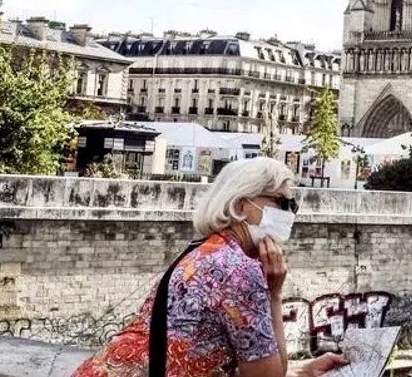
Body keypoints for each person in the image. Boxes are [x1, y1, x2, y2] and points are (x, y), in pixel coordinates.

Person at [74, 157, 347, 377]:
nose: (288, 213)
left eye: (293, 205)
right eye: (281, 202)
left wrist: (303, 371)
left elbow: (211, 357)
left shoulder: (200, 252)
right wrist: (274, 294)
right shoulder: (240, 271)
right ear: (242, 206)